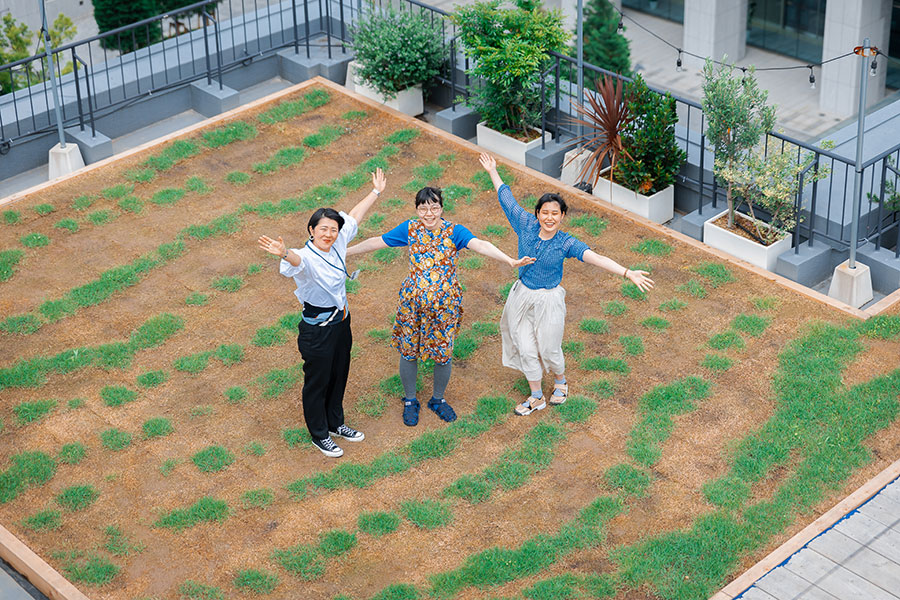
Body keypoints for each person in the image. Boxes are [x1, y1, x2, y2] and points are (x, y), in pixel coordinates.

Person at [478, 153, 654, 416]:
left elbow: (596, 258)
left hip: (549, 299)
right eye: (545, 212)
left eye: (555, 214)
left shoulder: (566, 243)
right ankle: (536, 396)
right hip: (522, 296)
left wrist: (627, 272)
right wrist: (493, 171)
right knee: (525, 347)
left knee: (549, 348)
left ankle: (560, 381)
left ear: (562, 217)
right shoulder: (525, 224)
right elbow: (507, 199)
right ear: (537, 214)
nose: (549, 218)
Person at [346, 186, 535, 426]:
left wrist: (509, 260)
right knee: (408, 351)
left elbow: (480, 244)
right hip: (411, 304)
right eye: (423, 209)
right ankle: (410, 400)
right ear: (417, 210)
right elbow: (377, 242)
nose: (429, 213)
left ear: (441, 208)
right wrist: (344, 251)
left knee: (443, 354)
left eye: (434, 208)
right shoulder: (410, 229)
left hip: (445, 306)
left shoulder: (454, 231)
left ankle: (437, 400)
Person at [257, 168, 386, 457]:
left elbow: (355, 215)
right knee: (318, 380)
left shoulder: (339, 241)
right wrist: (282, 252)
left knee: (340, 373)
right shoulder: (304, 256)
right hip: (318, 328)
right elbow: (295, 260)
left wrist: (375, 192)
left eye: (333, 229)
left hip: (342, 320)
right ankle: (319, 434)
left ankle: (335, 423)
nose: (329, 233)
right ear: (311, 231)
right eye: (323, 229)